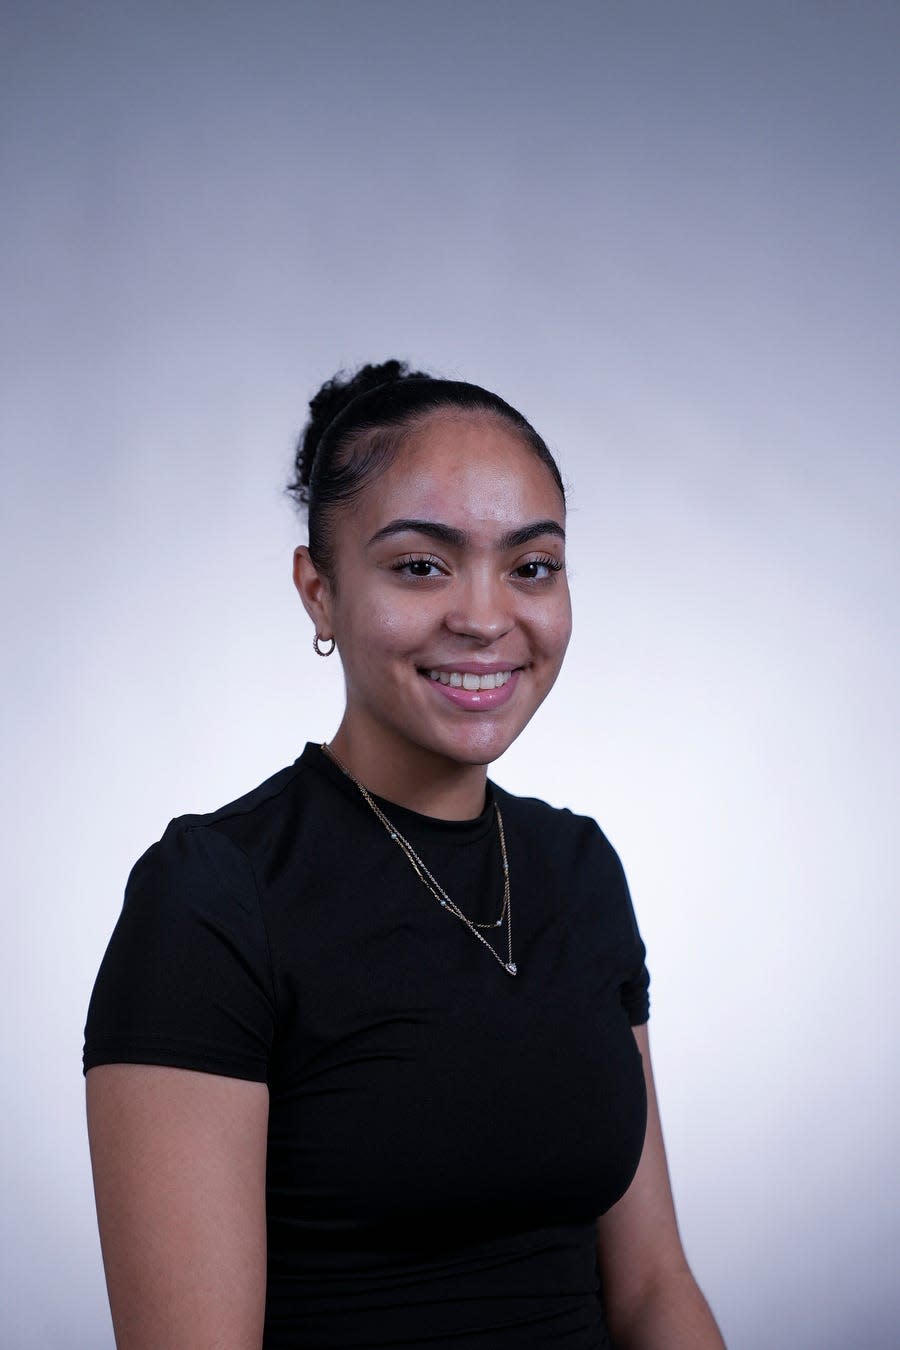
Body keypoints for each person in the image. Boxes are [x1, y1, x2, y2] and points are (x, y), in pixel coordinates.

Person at [83, 360, 726, 1349]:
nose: (483, 615)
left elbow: (653, 1288)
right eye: (421, 565)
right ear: (320, 593)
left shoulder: (578, 869)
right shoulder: (211, 898)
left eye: (532, 565)